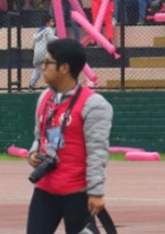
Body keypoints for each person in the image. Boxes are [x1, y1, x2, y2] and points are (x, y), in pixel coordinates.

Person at [27, 38, 113, 234]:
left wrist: (96, 192)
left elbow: (97, 153)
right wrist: (33, 154)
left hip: (77, 193)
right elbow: (38, 137)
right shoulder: (44, 98)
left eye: (47, 63)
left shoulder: (94, 105)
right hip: (45, 190)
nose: (43, 68)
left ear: (64, 68)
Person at [29, 17, 58, 90]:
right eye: (52, 22)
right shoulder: (48, 29)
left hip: (37, 54)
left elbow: (33, 44)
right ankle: (50, 85)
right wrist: (59, 38)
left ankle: (31, 85)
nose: (53, 23)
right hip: (45, 52)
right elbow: (50, 39)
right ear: (47, 23)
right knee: (50, 68)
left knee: (37, 70)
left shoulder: (37, 32)